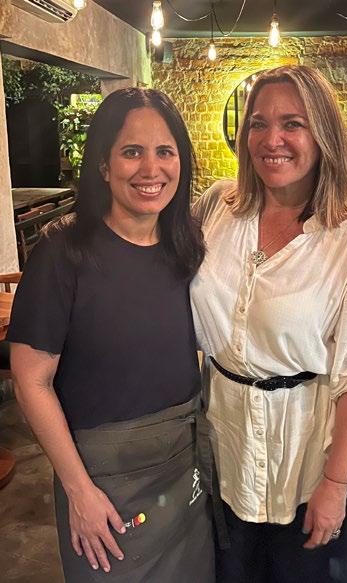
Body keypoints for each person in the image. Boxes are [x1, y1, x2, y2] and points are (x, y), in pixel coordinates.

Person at [190, 65, 347, 582]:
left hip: (304, 465)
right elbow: (152, 250)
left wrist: (335, 484)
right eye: (258, 123)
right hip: (226, 448)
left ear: (322, 136)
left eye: (292, 124)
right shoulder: (218, 208)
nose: (271, 139)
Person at [7, 88, 214, 583]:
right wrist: (78, 491)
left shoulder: (186, 244)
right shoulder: (63, 252)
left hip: (185, 468)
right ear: (103, 165)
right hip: (101, 479)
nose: (151, 169)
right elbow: (30, 382)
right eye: (131, 152)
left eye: (165, 152)